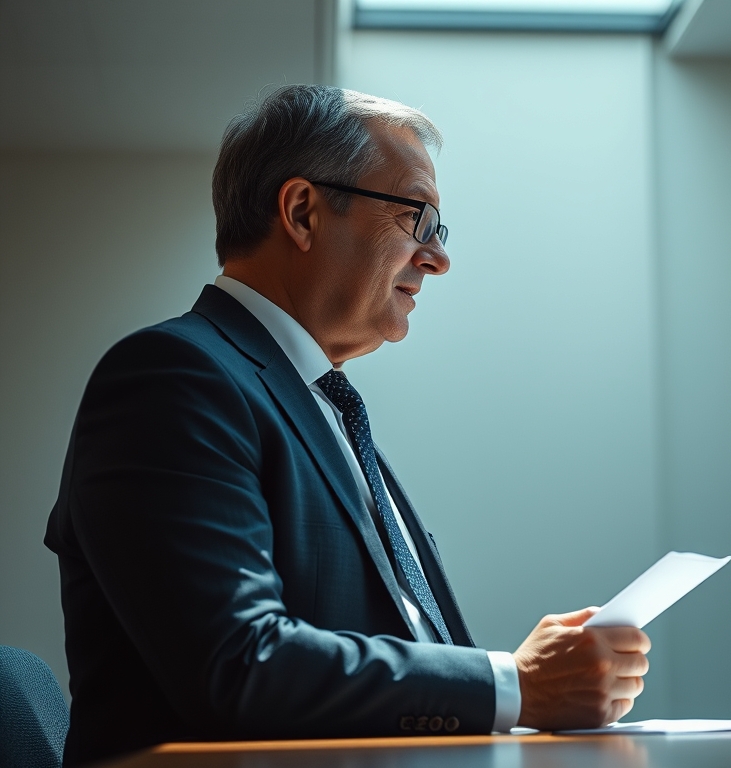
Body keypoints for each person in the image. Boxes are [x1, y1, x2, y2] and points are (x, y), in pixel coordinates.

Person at [45, 85, 650, 767]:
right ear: (303, 212)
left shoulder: (329, 406)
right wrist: (515, 684)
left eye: (439, 232)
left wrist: (526, 683)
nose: (438, 258)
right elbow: (241, 662)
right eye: (417, 218)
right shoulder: (171, 378)